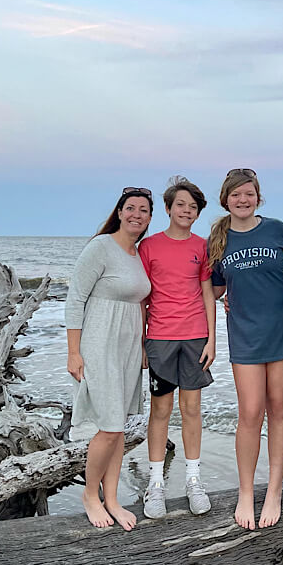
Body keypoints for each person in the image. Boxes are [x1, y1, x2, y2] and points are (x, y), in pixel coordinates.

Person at [209, 168, 283, 530]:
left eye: (249, 194)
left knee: (279, 410)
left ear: (258, 197)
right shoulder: (218, 238)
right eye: (236, 195)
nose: (242, 200)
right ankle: (246, 492)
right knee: (249, 412)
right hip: (244, 336)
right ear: (225, 199)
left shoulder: (276, 230)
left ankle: (274, 489)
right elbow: (211, 289)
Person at [65, 187, 153, 530]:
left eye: (143, 210)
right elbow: (74, 301)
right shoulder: (100, 247)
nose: (136, 214)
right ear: (119, 212)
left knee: (120, 428)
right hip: (99, 342)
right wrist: (74, 352)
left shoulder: (136, 254)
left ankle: (112, 498)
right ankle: (90, 495)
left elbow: (140, 304)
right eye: (130, 208)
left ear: (149, 218)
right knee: (110, 426)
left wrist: (143, 344)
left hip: (128, 346)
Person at [139, 176, 216, 518]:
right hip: (160, 337)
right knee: (160, 411)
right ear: (168, 209)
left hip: (195, 337)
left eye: (193, 207)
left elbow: (208, 294)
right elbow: (141, 298)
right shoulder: (149, 247)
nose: (187, 210)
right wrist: (141, 341)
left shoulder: (202, 246)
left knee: (192, 409)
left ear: (198, 213)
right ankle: (155, 485)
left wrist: (212, 338)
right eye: (181, 205)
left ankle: (194, 481)